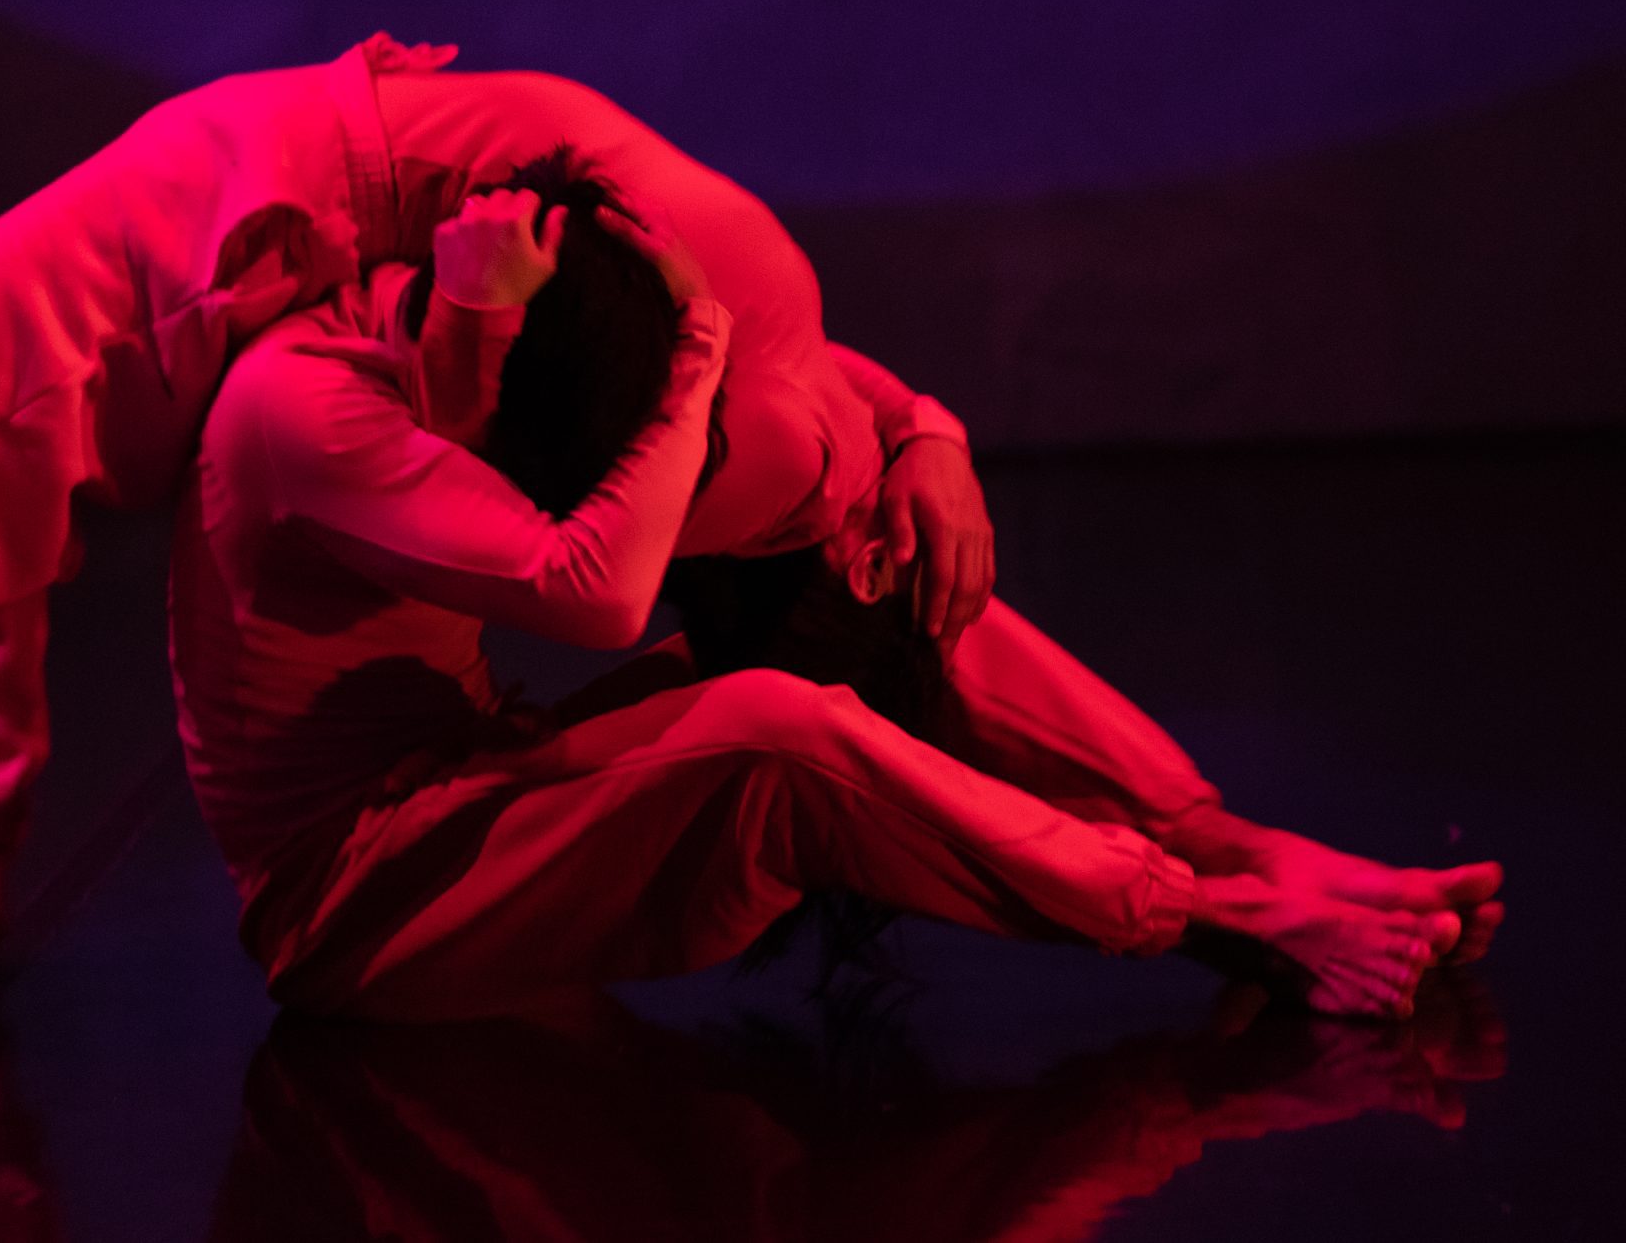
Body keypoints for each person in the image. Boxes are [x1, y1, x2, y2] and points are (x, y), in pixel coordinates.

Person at [168, 156, 1465, 1024]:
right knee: (777, 723)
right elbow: (601, 592)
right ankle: (1208, 912)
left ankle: (1233, 847)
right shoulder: (307, 409)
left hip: (473, 781)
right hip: (355, 903)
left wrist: (923, 434)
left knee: (879, 577)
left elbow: (795, 372)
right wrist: (689, 367)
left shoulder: (472, 343)